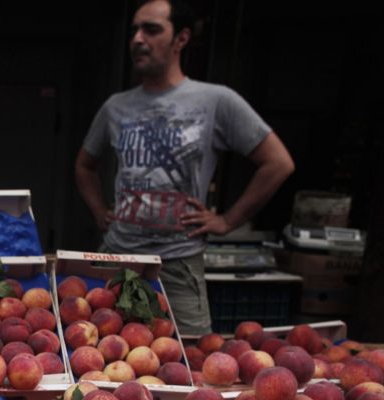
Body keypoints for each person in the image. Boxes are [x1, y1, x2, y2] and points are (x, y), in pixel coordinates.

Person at [75, 0, 294, 335]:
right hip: (117, 258)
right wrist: (98, 210)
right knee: (101, 354)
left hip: (176, 264)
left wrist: (227, 221)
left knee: (188, 359)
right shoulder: (116, 107)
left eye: (151, 29)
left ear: (181, 38)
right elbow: (85, 165)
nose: (137, 38)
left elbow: (277, 163)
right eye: (134, 29)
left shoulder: (215, 101)